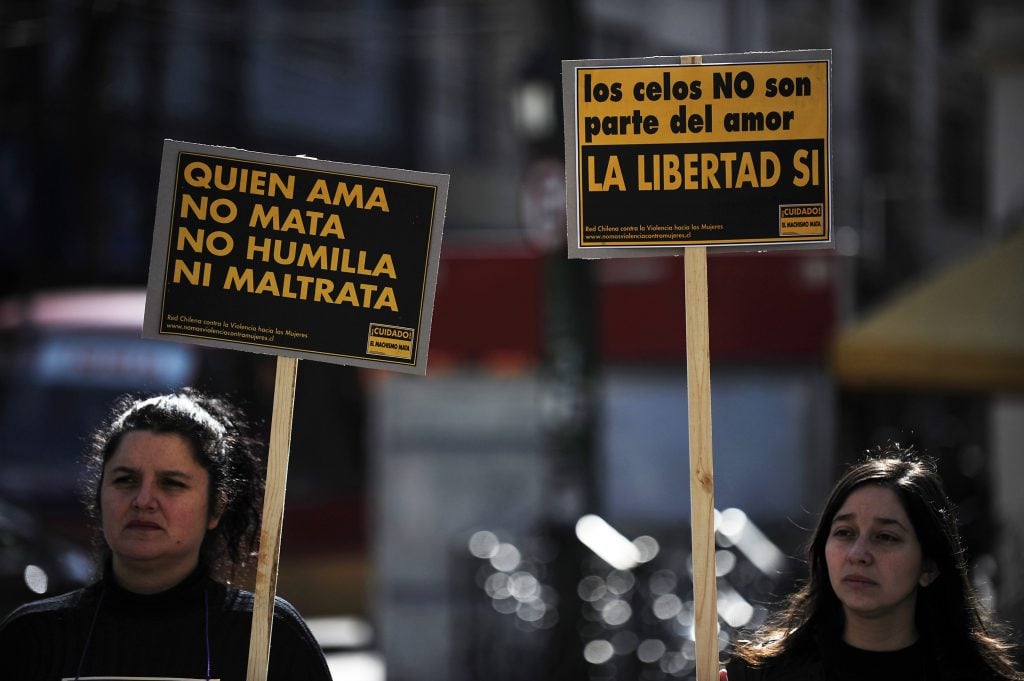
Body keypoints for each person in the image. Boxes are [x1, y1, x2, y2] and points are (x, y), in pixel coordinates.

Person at [0, 389, 333, 680]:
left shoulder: (269, 638)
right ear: (99, 496)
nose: (143, 500)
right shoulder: (34, 637)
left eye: (172, 483)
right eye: (125, 480)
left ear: (216, 507)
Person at [720, 443, 1023, 681]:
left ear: (929, 567)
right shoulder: (759, 675)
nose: (858, 553)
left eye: (886, 537)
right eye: (844, 532)